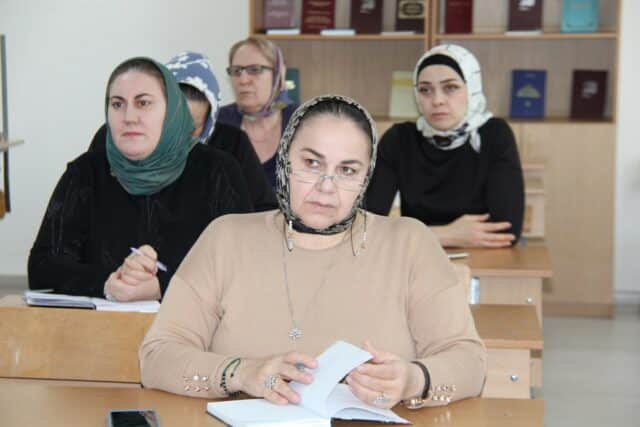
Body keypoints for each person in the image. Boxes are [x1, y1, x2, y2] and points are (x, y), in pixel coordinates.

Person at [139, 95, 486, 410]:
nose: (326, 187)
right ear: (284, 160)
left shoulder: (409, 243)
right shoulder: (226, 238)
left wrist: (413, 380)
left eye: (347, 170)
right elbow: (156, 358)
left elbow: (470, 362)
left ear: (366, 177)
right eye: (312, 163)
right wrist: (240, 373)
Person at [28, 57, 252, 301]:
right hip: (100, 323)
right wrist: (109, 282)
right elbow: (42, 266)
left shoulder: (218, 171)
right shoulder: (85, 173)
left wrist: (162, 287)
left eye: (143, 103)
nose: (129, 117)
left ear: (171, 110)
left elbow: (242, 265)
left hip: (192, 322)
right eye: (117, 104)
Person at [366, 44, 525, 248]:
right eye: (425, 90)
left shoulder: (494, 135)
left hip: (482, 257)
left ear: (471, 89)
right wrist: (446, 235)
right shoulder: (399, 140)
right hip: (416, 257)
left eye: (450, 88)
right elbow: (366, 228)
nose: (437, 100)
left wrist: (416, 235)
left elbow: (506, 232)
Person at [89, 51, 277, 211]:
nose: (180, 137)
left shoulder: (230, 148)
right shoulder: (117, 138)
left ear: (209, 123)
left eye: (191, 128)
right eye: (175, 123)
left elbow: (263, 211)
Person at [218, 37, 298, 190]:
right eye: (236, 71)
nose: (243, 80)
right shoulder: (216, 123)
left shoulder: (304, 123)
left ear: (278, 75)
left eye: (255, 70)